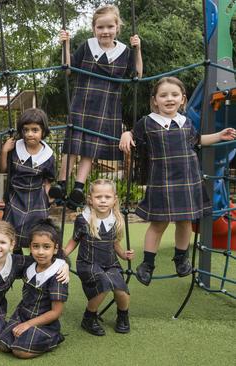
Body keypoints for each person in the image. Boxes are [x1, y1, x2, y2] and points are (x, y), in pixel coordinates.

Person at [119, 77, 236, 285]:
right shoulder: (147, 122)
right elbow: (133, 136)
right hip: (162, 181)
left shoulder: (186, 122)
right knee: (158, 224)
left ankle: (181, 258)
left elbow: (198, 141)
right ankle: (147, 263)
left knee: (185, 222)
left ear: (183, 99)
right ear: (155, 100)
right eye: (163, 95)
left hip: (188, 180)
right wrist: (126, 134)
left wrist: (219, 135)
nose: (169, 99)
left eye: (174, 95)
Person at [50, 4, 142, 209]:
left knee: (89, 148)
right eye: (100, 27)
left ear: (118, 27)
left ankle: (79, 187)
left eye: (110, 26)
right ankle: (62, 181)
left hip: (106, 107)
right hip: (82, 102)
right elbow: (67, 69)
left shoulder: (125, 51)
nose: (105, 31)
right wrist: (66, 44)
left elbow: (137, 74)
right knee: (73, 143)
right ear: (94, 29)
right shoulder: (87, 45)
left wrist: (138, 49)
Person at [64, 179, 133, 335]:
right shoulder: (84, 219)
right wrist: (62, 254)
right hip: (88, 263)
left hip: (110, 263)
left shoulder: (116, 219)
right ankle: (89, 317)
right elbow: (74, 241)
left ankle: (123, 316)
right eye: (98, 197)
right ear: (90, 199)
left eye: (107, 197)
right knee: (103, 284)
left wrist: (123, 254)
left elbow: (115, 243)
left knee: (122, 290)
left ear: (114, 199)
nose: (103, 200)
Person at [0, 219, 68, 359]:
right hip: (23, 315)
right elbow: (5, 258)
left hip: (45, 322)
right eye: (36, 246)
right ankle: (25, 333)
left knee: (20, 352)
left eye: (46, 247)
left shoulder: (57, 275)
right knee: (3, 344)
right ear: (30, 247)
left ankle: (54, 338)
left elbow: (56, 312)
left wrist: (28, 325)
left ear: (55, 249)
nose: (40, 252)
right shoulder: (29, 264)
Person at [0, 108, 55, 252]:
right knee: (12, 228)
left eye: (35, 130)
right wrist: (5, 151)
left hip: (37, 196)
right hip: (16, 194)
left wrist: (48, 198)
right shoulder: (15, 147)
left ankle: (34, 258)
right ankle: (16, 256)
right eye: (26, 130)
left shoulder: (48, 154)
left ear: (43, 131)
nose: (30, 134)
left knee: (37, 229)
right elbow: (4, 169)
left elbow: (48, 179)